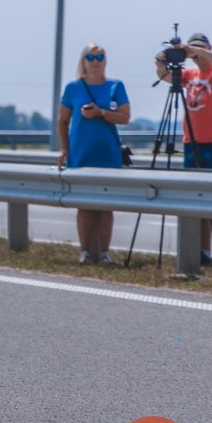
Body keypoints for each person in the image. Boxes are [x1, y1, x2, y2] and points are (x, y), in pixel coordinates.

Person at [153, 32, 212, 269]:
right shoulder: (189, 74)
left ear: (209, 48)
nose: (194, 53)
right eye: (191, 49)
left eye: (200, 48)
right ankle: (204, 251)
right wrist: (160, 61)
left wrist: (200, 51)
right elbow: (165, 76)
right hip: (192, 142)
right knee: (198, 199)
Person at [58, 43, 131, 265]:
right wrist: (64, 150)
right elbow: (63, 121)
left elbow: (125, 117)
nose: (96, 61)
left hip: (108, 152)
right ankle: (85, 251)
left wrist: (101, 113)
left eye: (100, 56)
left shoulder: (115, 86)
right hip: (81, 152)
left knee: (105, 206)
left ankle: (105, 253)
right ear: (84, 61)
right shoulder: (73, 88)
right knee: (85, 206)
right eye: (91, 57)